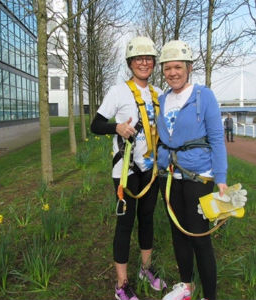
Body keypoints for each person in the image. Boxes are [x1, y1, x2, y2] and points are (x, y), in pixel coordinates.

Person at [90, 36, 166, 300]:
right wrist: (117, 127)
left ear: (154, 63)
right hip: (126, 170)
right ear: (130, 63)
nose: (143, 63)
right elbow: (96, 125)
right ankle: (121, 284)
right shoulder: (118, 91)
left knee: (147, 219)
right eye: (138, 59)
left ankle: (146, 269)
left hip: (151, 169)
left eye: (148, 58)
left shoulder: (158, 94)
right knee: (125, 224)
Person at [156, 40, 228, 300]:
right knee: (178, 232)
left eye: (177, 67)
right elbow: (163, 138)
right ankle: (186, 285)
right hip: (170, 177)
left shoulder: (203, 95)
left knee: (199, 236)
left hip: (199, 175)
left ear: (188, 68)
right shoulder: (162, 99)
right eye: (167, 68)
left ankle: (210, 295)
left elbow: (217, 138)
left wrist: (221, 179)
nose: (172, 73)